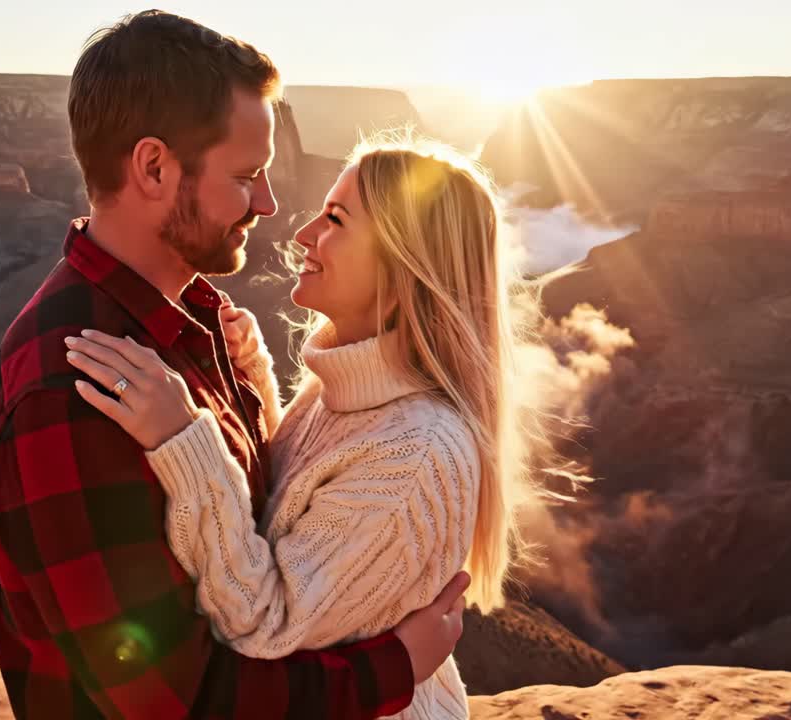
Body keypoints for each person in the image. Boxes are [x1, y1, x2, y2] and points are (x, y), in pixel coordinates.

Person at [0, 11, 467, 720]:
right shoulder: (74, 394)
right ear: (154, 167)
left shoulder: (193, 326)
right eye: (247, 176)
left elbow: (256, 519)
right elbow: (178, 704)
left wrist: (257, 395)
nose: (269, 205)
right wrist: (396, 669)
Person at [65, 134, 527, 719]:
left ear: (404, 259)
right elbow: (303, 510)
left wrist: (183, 441)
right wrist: (256, 380)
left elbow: (265, 624)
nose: (304, 235)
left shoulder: (416, 454)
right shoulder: (348, 388)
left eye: (335, 218)